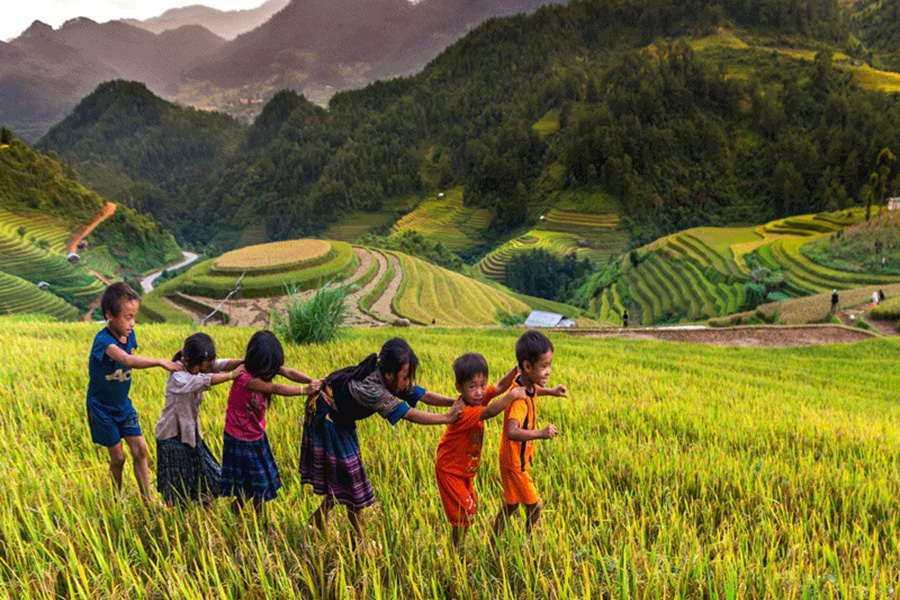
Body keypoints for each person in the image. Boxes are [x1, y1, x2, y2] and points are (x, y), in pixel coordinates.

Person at [300, 337, 462, 543]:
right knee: (351, 479)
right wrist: (448, 418)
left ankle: (319, 519)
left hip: (341, 417)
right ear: (389, 373)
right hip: (327, 418)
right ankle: (359, 537)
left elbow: (422, 395)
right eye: (404, 377)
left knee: (344, 476)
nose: (406, 382)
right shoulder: (373, 388)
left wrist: (455, 401)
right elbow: (409, 414)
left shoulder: (391, 378)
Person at [434, 356, 566, 547]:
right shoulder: (463, 410)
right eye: (472, 387)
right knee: (464, 514)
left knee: (469, 511)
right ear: (459, 388)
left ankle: (462, 546)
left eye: (482, 385)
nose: (479, 392)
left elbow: (497, 387)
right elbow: (489, 411)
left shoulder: (476, 398)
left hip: (464, 468)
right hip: (450, 469)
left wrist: (514, 371)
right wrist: (511, 396)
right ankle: (457, 549)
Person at [86, 282, 181, 501]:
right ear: (109, 315)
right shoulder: (103, 341)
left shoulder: (130, 335)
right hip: (102, 408)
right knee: (118, 458)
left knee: (140, 449)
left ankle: (147, 500)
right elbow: (127, 359)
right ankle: (114, 499)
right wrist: (159, 361)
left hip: (122, 405)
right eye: (127, 317)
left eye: (134, 317)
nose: (132, 323)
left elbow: (132, 352)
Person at [220, 330, 320, 517]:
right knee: (257, 484)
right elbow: (275, 388)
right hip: (240, 439)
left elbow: (288, 372)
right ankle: (257, 521)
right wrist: (305, 390)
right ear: (256, 361)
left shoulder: (264, 367)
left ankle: (241, 513)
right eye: (267, 367)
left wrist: (313, 381)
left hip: (256, 436)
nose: (270, 372)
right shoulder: (245, 378)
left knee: (255, 485)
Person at [155, 332, 243, 506]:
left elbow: (221, 364)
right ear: (190, 361)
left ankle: (202, 517)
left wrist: (244, 362)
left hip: (192, 436)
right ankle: (179, 525)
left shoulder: (197, 365)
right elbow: (204, 381)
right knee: (177, 492)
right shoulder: (178, 375)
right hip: (172, 438)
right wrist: (232, 375)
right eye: (203, 366)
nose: (207, 368)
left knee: (211, 480)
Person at [492, 330, 564, 542]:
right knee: (535, 506)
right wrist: (540, 433)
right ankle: (527, 541)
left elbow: (533, 390)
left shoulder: (525, 383)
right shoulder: (519, 400)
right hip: (515, 462)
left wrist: (551, 391)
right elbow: (512, 431)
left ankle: (494, 542)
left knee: (512, 504)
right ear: (527, 366)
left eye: (549, 365)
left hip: (514, 458)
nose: (548, 371)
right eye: (544, 366)